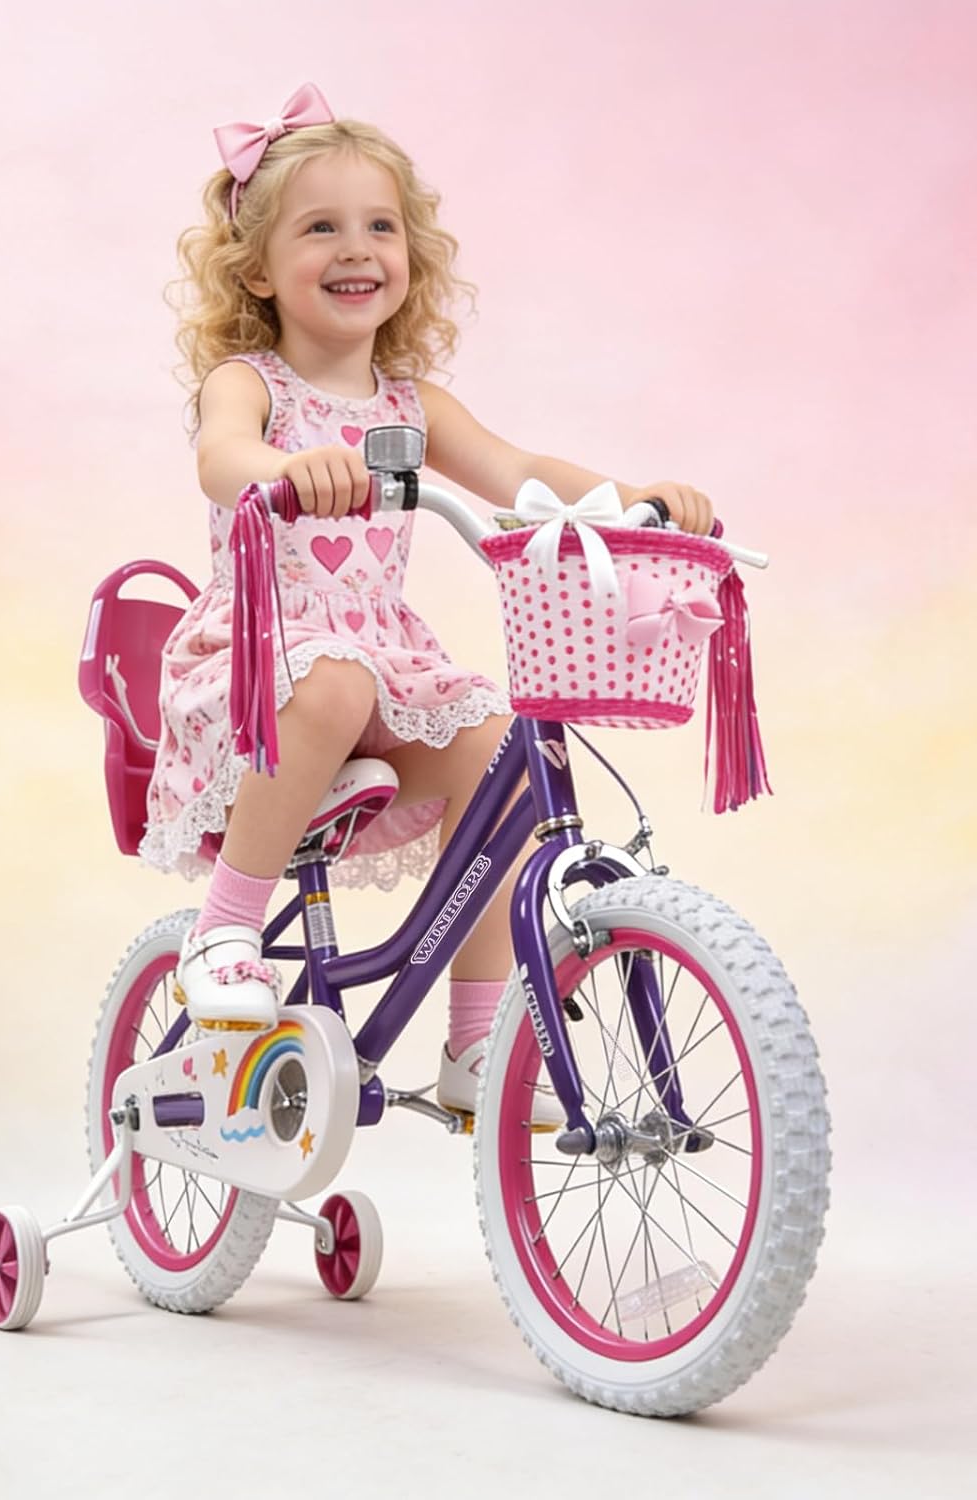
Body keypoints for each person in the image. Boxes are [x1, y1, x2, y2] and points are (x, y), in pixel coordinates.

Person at [138, 83, 713, 1120]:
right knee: (333, 683)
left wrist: (634, 497)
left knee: (507, 757)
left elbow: (518, 470)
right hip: (261, 665)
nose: (357, 249)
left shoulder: (414, 404)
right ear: (257, 268)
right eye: (320, 228)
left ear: (412, 255)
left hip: (381, 667)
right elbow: (219, 457)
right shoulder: (251, 383)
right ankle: (226, 927)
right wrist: (284, 467)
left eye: (381, 227)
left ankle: (476, 1037)